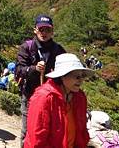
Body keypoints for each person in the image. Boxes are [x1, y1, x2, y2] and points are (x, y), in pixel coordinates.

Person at [24, 53, 94, 148]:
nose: (81, 80)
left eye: (82, 76)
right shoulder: (44, 98)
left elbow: (82, 130)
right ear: (62, 76)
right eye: (77, 77)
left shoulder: (79, 97)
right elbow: (37, 137)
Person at [16, 14, 66, 147]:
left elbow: (65, 72)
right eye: (41, 29)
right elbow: (19, 70)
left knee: (49, 130)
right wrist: (34, 69)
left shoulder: (58, 50)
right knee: (28, 130)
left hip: (51, 98)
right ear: (35, 30)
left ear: (52, 31)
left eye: (47, 30)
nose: (44, 33)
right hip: (30, 95)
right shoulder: (27, 47)